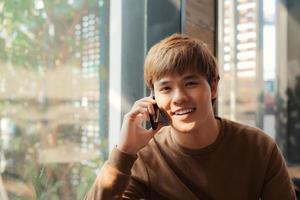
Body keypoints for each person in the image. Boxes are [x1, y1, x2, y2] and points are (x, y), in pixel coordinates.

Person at [85, 34, 296, 199]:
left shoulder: (259, 147)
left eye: (191, 83)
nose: (179, 97)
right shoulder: (146, 154)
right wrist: (124, 151)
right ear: (153, 98)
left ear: (213, 87)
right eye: (166, 88)